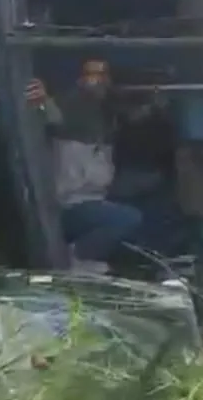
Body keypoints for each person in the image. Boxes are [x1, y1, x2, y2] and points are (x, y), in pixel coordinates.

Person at [24, 61, 142, 273]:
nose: (97, 82)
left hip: (94, 203)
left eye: (102, 76)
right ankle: (77, 257)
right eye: (91, 76)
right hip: (69, 206)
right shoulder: (67, 119)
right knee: (128, 217)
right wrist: (42, 100)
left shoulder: (107, 128)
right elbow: (49, 112)